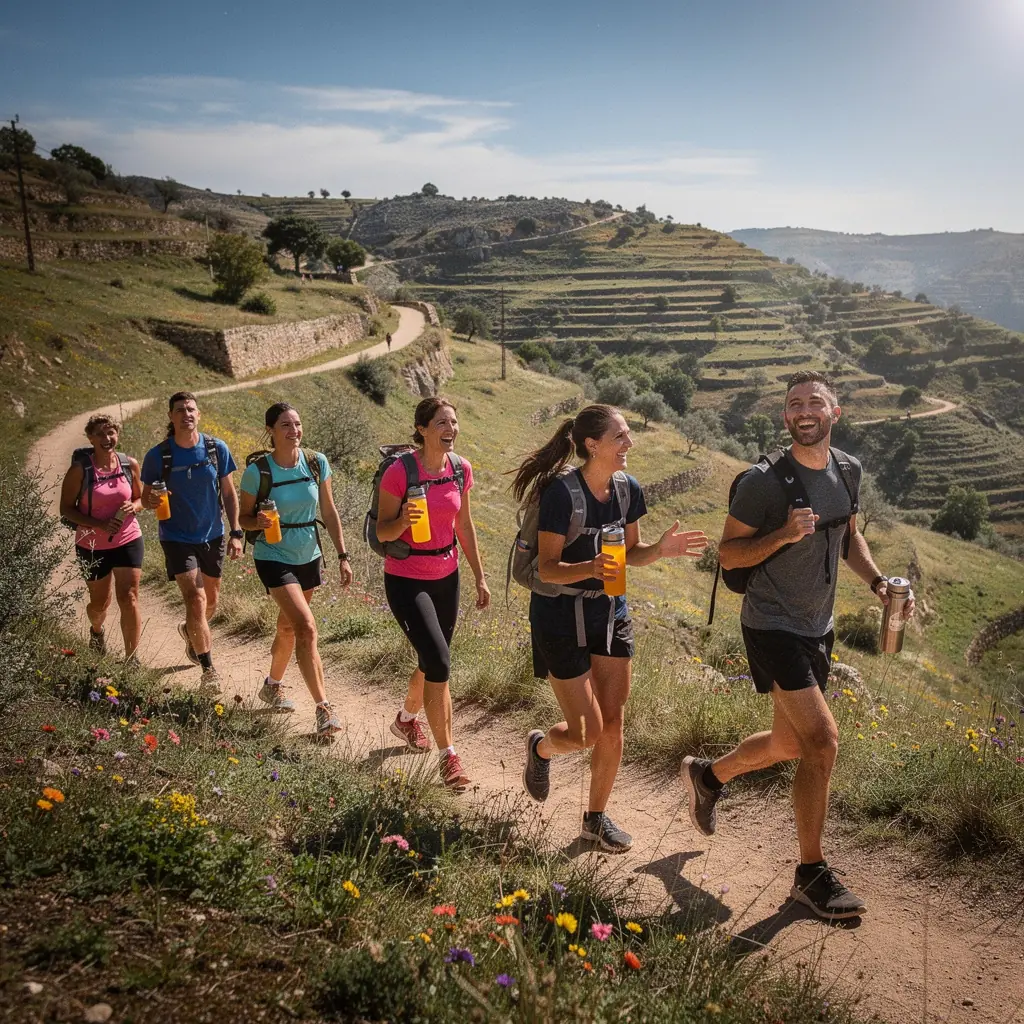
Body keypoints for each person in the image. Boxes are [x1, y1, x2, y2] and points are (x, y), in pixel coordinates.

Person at [684, 369, 915, 920]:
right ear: (785, 417)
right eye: (794, 404)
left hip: (819, 625)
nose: (804, 411)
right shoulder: (763, 484)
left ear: (836, 413)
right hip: (770, 625)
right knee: (822, 741)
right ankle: (811, 872)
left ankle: (708, 775)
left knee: (790, 744)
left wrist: (879, 582)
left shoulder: (848, 470)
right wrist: (784, 535)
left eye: (815, 402)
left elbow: (849, 536)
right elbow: (729, 555)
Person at [514, 404, 708, 852]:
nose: (629, 443)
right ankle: (542, 748)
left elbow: (632, 555)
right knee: (586, 732)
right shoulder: (561, 495)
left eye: (627, 435)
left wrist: (658, 551)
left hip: (610, 614)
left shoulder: (628, 489)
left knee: (614, 722)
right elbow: (547, 568)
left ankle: (595, 820)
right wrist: (591, 566)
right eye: (620, 436)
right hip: (559, 617)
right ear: (592, 445)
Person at [376, 396, 490, 791]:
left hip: (447, 574)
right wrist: (403, 520)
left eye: (454, 422)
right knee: (440, 661)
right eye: (442, 422)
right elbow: (382, 533)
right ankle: (449, 759)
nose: (451, 429)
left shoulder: (460, 470)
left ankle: (406, 720)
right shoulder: (398, 473)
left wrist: (479, 576)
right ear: (423, 429)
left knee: (430, 661)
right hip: (407, 577)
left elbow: (465, 526)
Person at [238, 402, 353, 737]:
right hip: (273, 554)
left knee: (288, 628)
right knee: (306, 627)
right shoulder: (257, 471)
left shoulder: (316, 463)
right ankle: (324, 710)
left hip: (309, 553)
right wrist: (255, 521)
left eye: (298, 424)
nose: (294, 431)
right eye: (286, 425)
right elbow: (243, 519)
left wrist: (343, 555)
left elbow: (329, 512)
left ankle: (272, 685)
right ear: (271, 431)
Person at [141, 392, 242, 690]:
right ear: (171, 417)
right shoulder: (158, 455)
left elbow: (229, 493)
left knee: (210, 602)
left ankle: (190, 631)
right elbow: (145, 499)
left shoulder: (215, 448)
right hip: (176, 537)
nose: (186, 413)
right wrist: (153, 499)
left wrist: (236, 532)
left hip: (213, 534)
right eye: (180, 410)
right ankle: (209, 671)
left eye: (191, 409)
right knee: (195, 599)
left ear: (198, 415)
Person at [59, 414, 144, 660]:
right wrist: (99, 524)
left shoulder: (129, 464)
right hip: (92, 543)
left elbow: (141, 499)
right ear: (90, 438)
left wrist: (134, 507)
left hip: (128, 537)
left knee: (129, 596)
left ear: (117, 434)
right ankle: (96, 631)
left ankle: (132, 659)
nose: (107, 439)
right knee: (99, 605)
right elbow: (66, 508)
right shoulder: (81, 470)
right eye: (100, 434)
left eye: (111, 433)